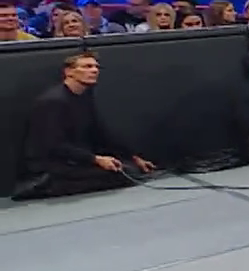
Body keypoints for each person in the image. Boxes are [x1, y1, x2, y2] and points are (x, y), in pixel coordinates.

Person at [16, 52, 155, 199]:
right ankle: (50, 186)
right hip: (51, 165)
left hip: (76, 159)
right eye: (87, 66)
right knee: (121, 174)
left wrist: (133, 157)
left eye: (96, 67)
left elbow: (101, 133)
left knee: (130, 168)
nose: (94, 70)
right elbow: (54, 145)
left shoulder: (84, 96)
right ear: (69, 71)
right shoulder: (52, 101)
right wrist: (95, 159)